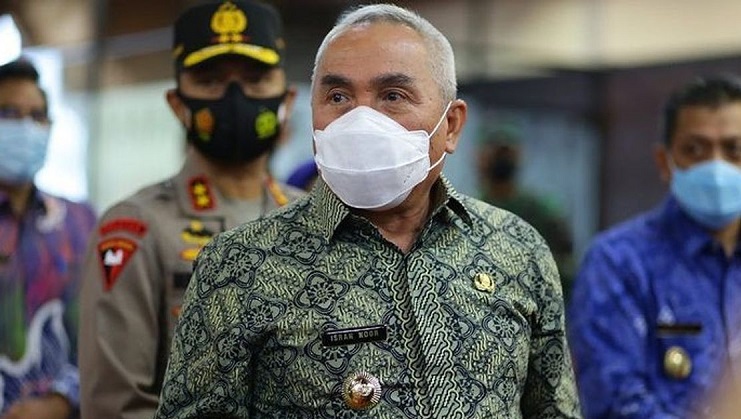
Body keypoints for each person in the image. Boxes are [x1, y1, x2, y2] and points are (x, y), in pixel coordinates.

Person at [155, 4, 581, 418]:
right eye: (338, 96)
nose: (360, 121)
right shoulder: (238, 265)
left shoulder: (516, 249)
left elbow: (553, 409)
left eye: (393, 95)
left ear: (450, 125)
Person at [77, 1, 304, 418]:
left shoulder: (314, 218)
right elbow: (117, 405)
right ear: (178, 104)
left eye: (256, 79)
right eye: (210, 81)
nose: (235, 97)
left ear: (286, 99)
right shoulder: (137, 227)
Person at [568, 76, 741, 418]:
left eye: (734, 150)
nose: (716, 167)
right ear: (665, 162)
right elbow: (613, 402)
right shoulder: (618, 263)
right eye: (695, 150)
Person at [0, 59, 96, 418]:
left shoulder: (79, 222)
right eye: (9, 113)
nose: (26, 127)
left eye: (37, 116)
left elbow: (104, 334)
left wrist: (63, 400)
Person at [477, 123, 576, 302]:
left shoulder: (542, 211)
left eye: (507, 153)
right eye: (497, 153)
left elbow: (566, 269)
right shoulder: (469, 209)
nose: (502, 160)